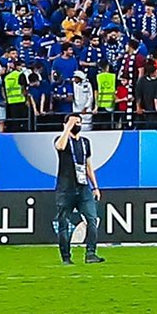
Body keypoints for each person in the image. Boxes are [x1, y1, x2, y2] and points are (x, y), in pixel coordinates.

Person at [53, 108, 105, 265]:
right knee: (64, 223)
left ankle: (91, 253)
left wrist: (95, 187)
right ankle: (66, 257)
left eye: (79, 122)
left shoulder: (85, 142)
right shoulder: (61, 139)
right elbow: (60, 147)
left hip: (83, 188)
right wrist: (67, 127)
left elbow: (88, 165)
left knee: (92, 219)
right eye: (74, 122)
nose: (77, 125)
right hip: (65, 189)